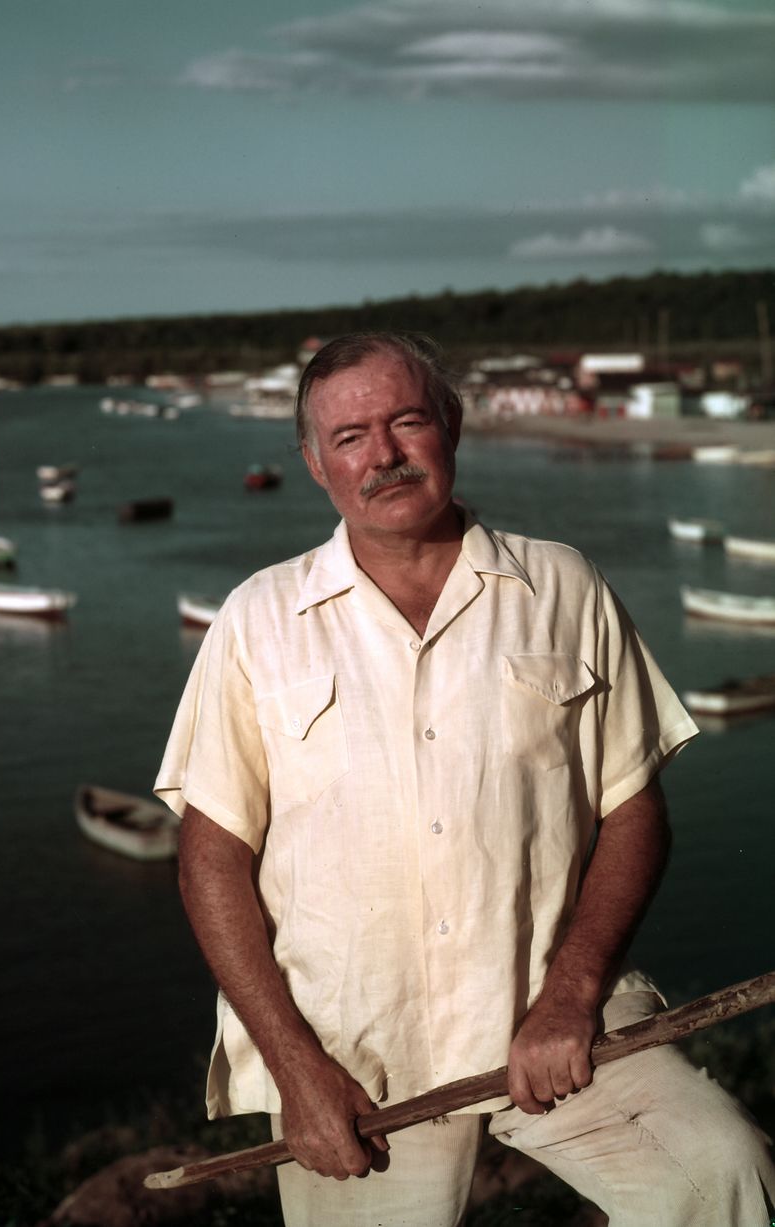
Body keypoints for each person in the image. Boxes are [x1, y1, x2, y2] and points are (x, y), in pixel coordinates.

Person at [155, 332, 774, 1226]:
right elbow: (209, 861)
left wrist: (569, 995)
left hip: (563, 1029)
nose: (385, 455)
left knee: (724, 1173)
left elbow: (635, 808)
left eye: (407, 421)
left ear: (451, 425)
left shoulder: (565, 585)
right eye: (351, 437)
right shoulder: (257, 621)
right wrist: (296, 1068)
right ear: (314, 463)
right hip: (354, 1061)